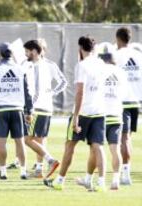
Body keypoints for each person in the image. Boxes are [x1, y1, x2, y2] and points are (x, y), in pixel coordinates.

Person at [44, 36, 107, 191]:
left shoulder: (82, 65)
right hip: (99, 111)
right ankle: (101, 183)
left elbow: (80, 92)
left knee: (70, 146)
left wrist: (76, 116)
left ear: (80, 48)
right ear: (94, 48)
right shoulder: (101, 63)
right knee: (97, 147)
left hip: (84, 111)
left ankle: (59, 181)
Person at [8, 39, 66, 178]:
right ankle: (39, 171)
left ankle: (50, 160)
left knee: (27, 139)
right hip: (47, 107)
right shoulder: (48, 64)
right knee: (40, 139)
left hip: (37, 107)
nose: (26, 54)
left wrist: (30, 108)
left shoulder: (36, 66)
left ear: (34, 51)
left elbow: (37, 90)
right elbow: (63, 82)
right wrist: (51, 93)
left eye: (27, 51)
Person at [0, 42, 33, 180]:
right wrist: (29, 111)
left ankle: (3, 172)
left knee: (1, 142)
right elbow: (27, 92)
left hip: (0, 110)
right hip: (17, 110)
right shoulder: (20, 69)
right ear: (11, 54)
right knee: (20, 142)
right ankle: (23, 171)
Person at [76, 44, 127, 190]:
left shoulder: (98, 69)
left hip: (101, 114)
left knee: (95, 148)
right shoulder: (120, 72)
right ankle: (116, 180)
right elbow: (123, 93)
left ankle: (89, 179)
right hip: (117, 113)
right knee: (115, 148)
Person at [114, 27, 142, 185]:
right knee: (127, 137)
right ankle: (126, 171)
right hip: (135, 101)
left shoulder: (116, 56)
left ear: (118, 39)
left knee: (122, 138)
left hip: (121, 101)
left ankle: (125, 174)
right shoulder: (139, 56)